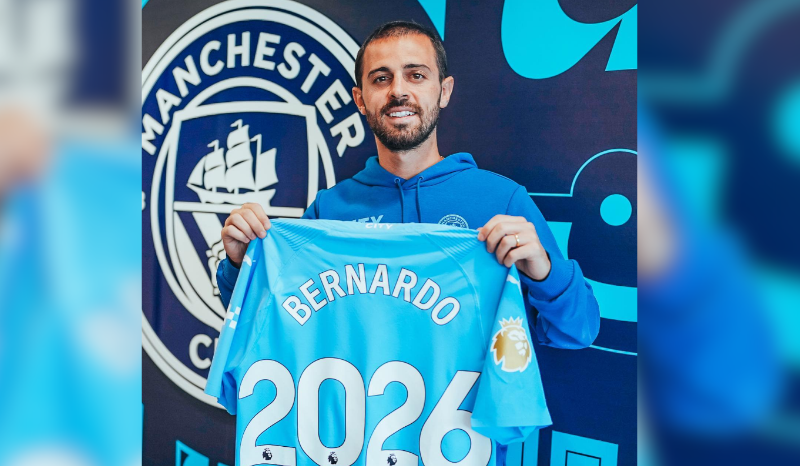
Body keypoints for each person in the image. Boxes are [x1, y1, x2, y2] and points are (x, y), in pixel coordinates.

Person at [216, 21, 599, 350]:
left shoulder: (503, 200)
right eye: (381, 78)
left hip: (467, 417)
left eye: (416, 75)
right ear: (360, 99)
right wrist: (239, 263)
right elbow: (268, 324)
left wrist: (544, 270)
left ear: (444, 91)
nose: (398, 91)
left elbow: (577, 331)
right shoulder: (328, 210)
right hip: (353, 415)